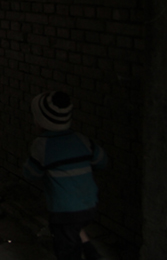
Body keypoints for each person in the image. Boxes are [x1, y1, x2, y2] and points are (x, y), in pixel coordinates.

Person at [23, 91, 107, 260]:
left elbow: (30, 173)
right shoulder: (81, 139)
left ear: (40, 121)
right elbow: (102, 161)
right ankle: (92, 254)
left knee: (66, 248)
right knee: (75, 227)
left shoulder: (42, 145)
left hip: (64, 210)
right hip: (89, 203)